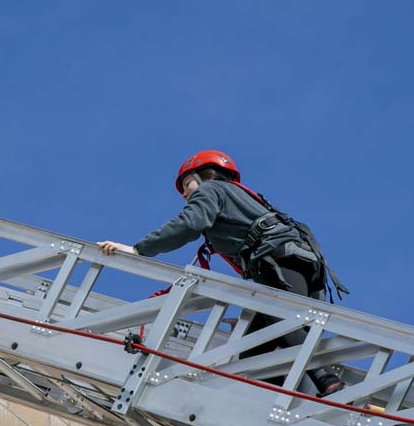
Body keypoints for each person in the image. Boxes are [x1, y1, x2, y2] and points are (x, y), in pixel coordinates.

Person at [98, 149, 348, 397]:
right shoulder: (239, 199)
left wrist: (138, 249)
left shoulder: (210, 190)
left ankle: (325, 378)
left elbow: (188, 224)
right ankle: (295, 398)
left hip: (278, 263)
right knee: (254, 354)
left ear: (206, 175)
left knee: (282, 322)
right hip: (297, 264)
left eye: (187, 183)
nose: (185, 193)